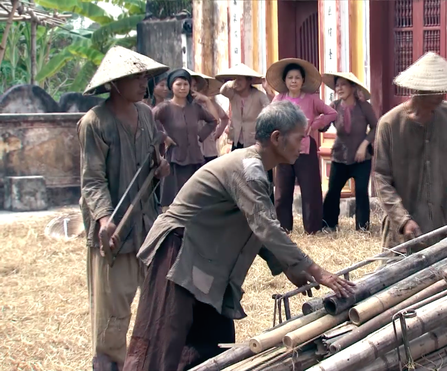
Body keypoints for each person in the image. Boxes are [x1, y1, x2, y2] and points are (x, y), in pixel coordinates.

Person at [123, 100, 355, 370]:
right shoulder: (249, 169)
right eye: (300, 137)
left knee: (212, 344)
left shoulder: (258, 170)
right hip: (178, 253)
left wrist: (287, 267)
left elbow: (255, 225)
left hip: (205, 261)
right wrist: (316, 270)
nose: (304, 143)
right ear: (277, 138)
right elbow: (265, 226)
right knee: (164, 342)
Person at [77, 45, 170, 371]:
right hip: (114, 233)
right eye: (136, 77)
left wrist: (160, 169)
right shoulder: (94, 122)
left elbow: (155, 159)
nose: (144, 82)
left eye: (144, 75)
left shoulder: (146, 113)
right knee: (112, 317)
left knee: (154, 307)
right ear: (116, 83)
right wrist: (104, 219)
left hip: (147, 227)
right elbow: (92, 180)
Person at [373, 52, 447, 256]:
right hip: (403, 227)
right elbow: (381, 178)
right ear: (418, 91)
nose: (441, 97)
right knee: (397, 280)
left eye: (442, 91)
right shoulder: (389, 124)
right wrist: (402, 219)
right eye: (434, 92)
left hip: (442, 221)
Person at [266, 58, 337, 234]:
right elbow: (269, 118)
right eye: (290, 78)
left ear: (303, 81)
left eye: (297, 78)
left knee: (310, 190)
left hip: (305, 149)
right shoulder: (279, 98)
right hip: (283, 150)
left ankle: (313, 229)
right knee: (282, 191)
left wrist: (315, 123)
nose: (294, 81)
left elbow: (332, 113)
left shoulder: (312, 99)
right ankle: (283, 228)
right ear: (285, 81)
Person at [153, 68, 224, 208]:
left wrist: (200, 137)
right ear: (171, 86)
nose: (182, 88)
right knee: (173, 201)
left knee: (195, 200)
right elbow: (147, 120)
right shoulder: (165, 107)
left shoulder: (195, 108)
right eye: (178, 84)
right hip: (174, 160)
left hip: (195, 158)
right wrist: (164, 137)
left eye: (186, 84)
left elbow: (213, 121)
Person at [320, 72, 378, 231]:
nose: (339, 88)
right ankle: (328, 225)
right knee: (333, 191)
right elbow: (322, 127)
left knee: (361, 191)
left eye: (343, 85)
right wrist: (320, 117)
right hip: (340, 156)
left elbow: (376, 127)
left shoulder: (364, 106)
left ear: (353, 87)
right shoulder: (334, 106)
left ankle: (362, 228)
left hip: (361, 157)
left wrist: (364, 144)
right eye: (337, 85)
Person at [216, 63, 273, 200]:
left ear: (249, 81)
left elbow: (271, 108)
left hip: (255, 141)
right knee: (239, 176)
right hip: (238, 140)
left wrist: (266, 89)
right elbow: (223, 90)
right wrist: (231, 82)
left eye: (241, 79)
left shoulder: (258, 96)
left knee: (259, 175)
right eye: (236, 79)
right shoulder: (233, 94)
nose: (238, 82)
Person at [188, 68, 228, 163]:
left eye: (194, 86)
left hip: (209, 149)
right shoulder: (186, 106)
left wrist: (217, 133)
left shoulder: (210, 103)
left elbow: (220, 119)